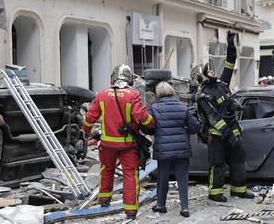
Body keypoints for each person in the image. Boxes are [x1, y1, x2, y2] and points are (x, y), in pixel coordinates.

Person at [82, 64, 155, 220]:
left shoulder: (102, 95)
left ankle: (104, 200)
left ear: (113, 77)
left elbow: (89, 118)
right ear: (129, 78)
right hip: (128, 145)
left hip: (107, 145)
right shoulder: (133, 95)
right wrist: (152, 123)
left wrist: (86, 132)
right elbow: (143, 117)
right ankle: (130, 211)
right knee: (130, 175)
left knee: (106, 170)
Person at [194, 31, 254, 202]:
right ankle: (215, 194)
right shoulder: (204, 96)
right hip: (218, 135)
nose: (213, 71)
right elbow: (214, 119)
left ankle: (239, 190)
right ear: (202, 76)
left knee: (238, 160)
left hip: (232, 130)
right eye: (209, 70)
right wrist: (230, 136)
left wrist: (230, 45)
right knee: (217, 164)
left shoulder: (222, 84)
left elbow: (230, 62)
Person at [149, 81, 200, 217]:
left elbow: (148, 127)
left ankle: (161, 205)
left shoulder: (154, 108)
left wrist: (157, 132)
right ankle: (184, 208)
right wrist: (184, 133)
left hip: (163, 149)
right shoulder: (183, 107)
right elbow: (195, 126)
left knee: (163, 178)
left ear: (158, 93)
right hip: (181, 148)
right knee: (182, 178)